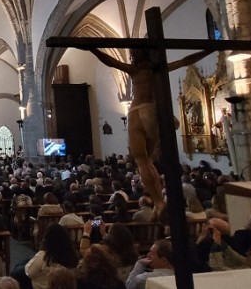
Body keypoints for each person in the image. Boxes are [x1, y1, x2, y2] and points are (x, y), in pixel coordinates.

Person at [86, 47, 213, 221]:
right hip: (154, 113)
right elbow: (186, 60)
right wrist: (209, 49)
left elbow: (110, 61)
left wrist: (92, 49)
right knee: (150, 161)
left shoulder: (136, 69)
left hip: (138, 112)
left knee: (141, 161)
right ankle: (159, 200)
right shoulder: (159, 68)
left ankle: (159, 201)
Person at [25, 224, 79, 289]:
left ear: (47, 238)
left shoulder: (44, 256)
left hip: (42, 286)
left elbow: (30, 272)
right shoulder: (72, 255)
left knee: (20, 271)